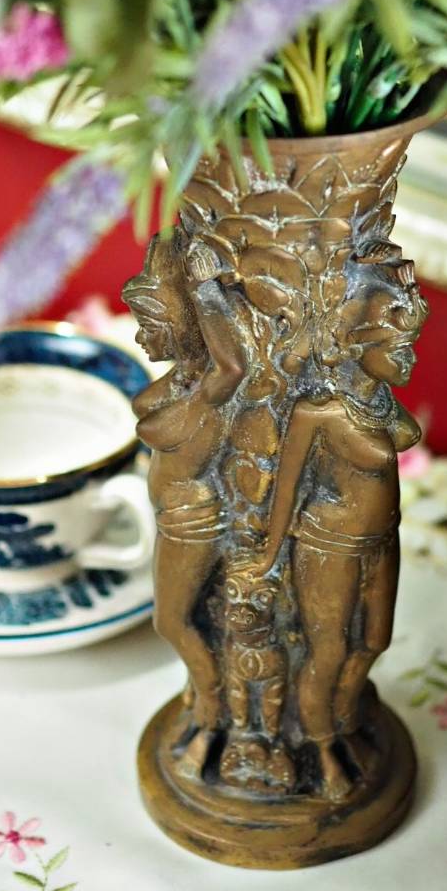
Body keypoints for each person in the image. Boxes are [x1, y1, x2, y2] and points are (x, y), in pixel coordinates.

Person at [248, 262, 428, 799]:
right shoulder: (317, 412)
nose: (410, 358)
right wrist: (268, 552)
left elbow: (406, 433)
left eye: (409, 345)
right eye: (397, 346)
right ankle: (321, 746)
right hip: (329, 545)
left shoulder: (376, 403)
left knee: (375, 640)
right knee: (327, 650)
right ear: (357, 346)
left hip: (381, 540)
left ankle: (344, 715)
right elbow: (285, 490)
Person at [125, 231, 246, 776]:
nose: (139, 335)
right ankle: (207, 702)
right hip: (172, 518)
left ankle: (213, 709)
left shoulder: (208, 391)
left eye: (149, 324)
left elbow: (234, 367)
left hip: (195, 524)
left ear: (176, 325)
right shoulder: (181, 384)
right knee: (182, 620)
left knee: (174, 622)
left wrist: (209, 292)